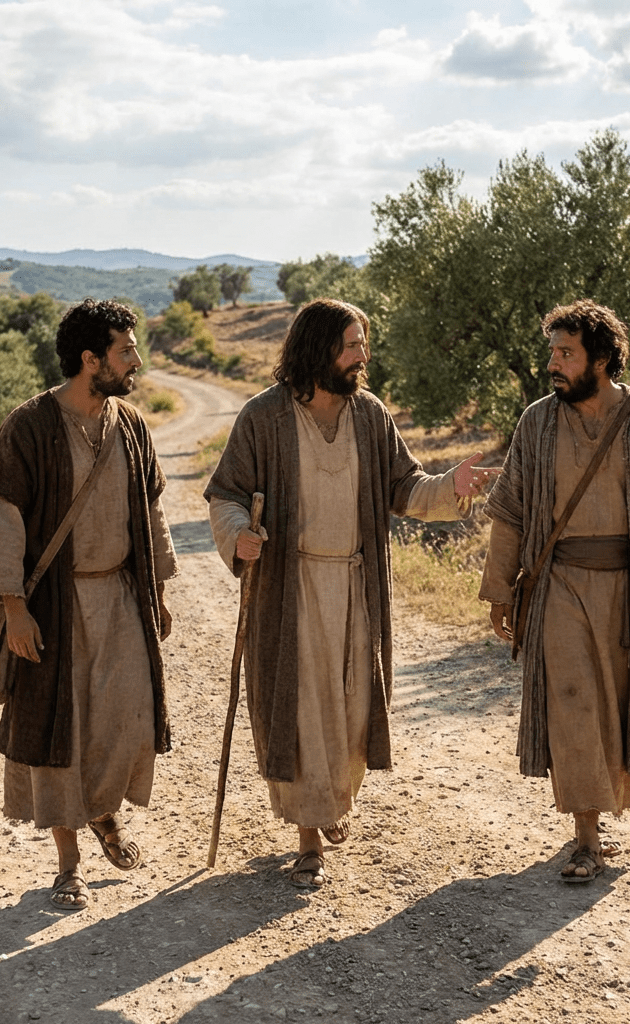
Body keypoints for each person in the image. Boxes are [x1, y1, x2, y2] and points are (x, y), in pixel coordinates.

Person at [205, 297, 497, 888]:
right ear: (320, 349)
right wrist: (239, 536)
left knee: (351, 704)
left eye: (363, 342)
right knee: (302, 707)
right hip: (292, 589)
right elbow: (226, 493)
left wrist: (452, 485)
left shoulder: (370, 414)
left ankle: (334, 797)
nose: (362, 355)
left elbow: (403, 486)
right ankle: (308, 837)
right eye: (352, 344)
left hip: (358, 584)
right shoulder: (264, 417)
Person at [479, 299, 630, 882]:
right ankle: (585, 836)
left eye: (566, 354)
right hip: (559, 586)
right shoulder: (536, 423)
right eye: (551, 353)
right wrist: (500, 591)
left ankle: (610, 807)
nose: (553, 365)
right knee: (574, 704)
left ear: (602, 359)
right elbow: (509, 513)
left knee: (626, 702)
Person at [0, 298, 177, 910]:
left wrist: (157, 592)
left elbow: (152, 512)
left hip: (119, 597)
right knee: (61, 731)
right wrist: (12, 608)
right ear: (91, 359)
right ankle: (68, 866)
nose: (136, 360)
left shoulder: (132, 425)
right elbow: (2, 520)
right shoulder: (30, 426)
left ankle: (103, 810)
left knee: (127, 721)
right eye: (125, 351)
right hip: (54, 606)